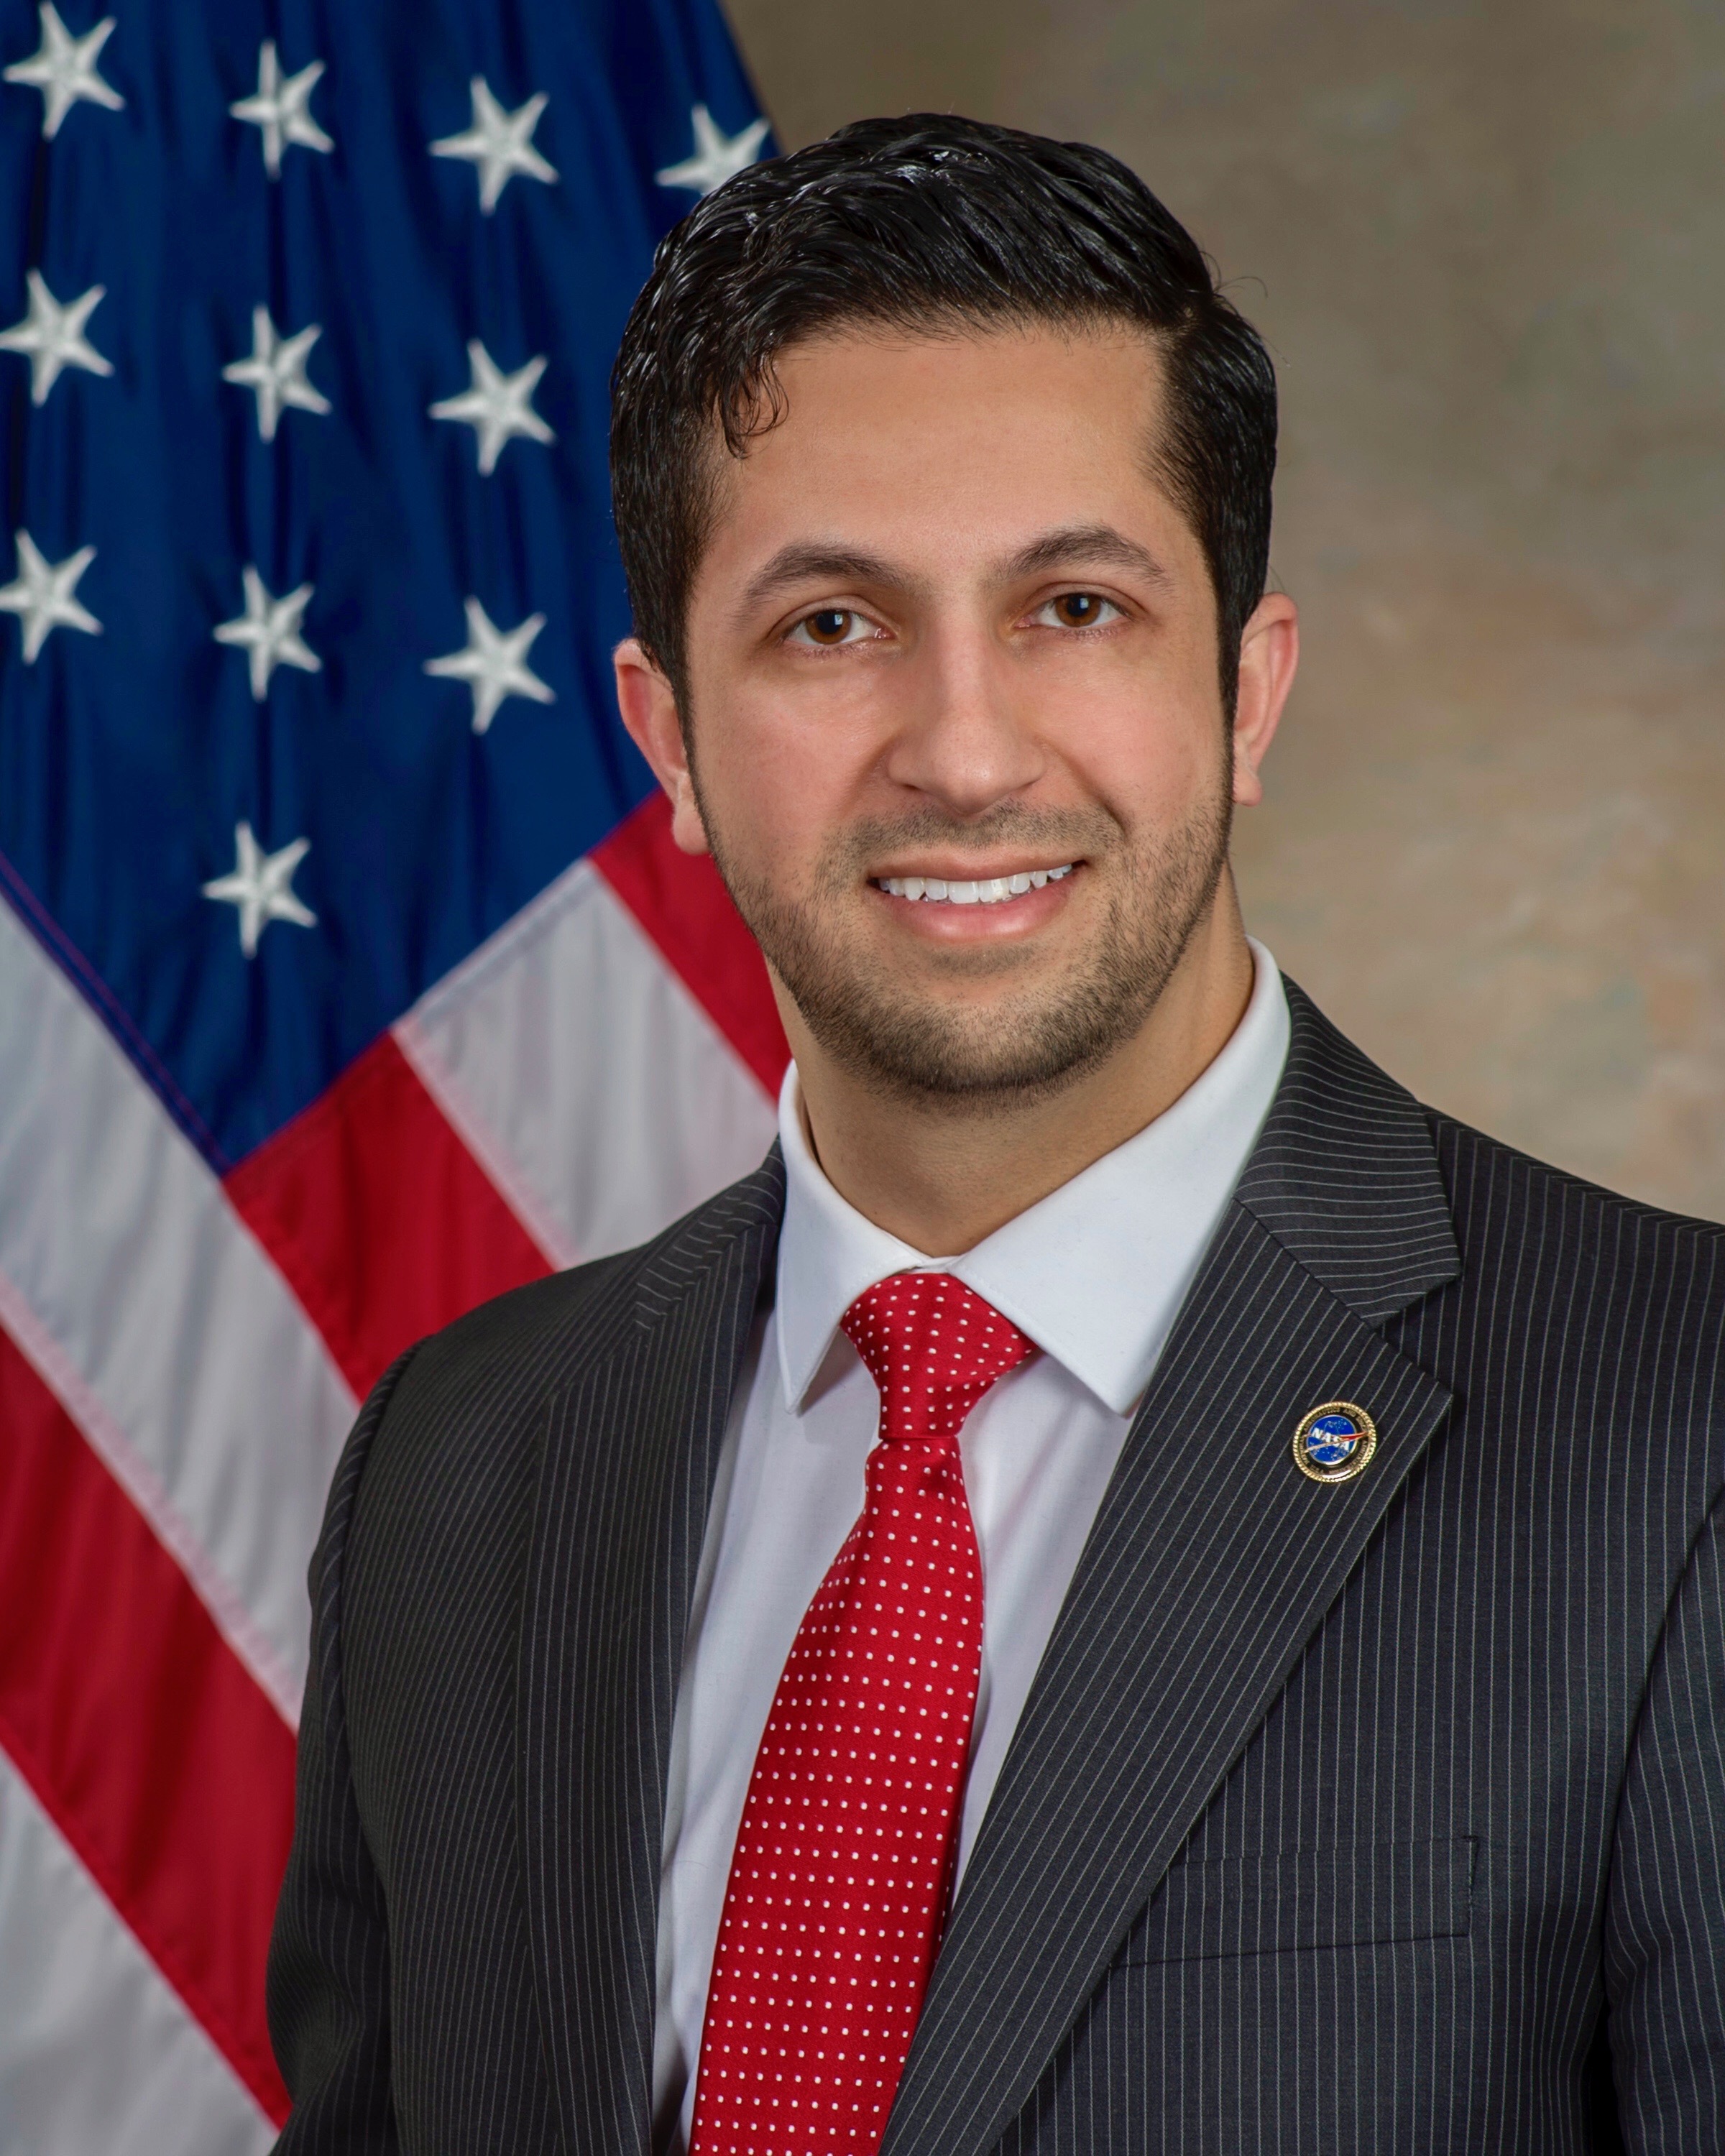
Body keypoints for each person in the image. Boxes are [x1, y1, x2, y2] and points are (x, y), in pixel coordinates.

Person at [265, 116, 1725, 2155]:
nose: (961, 751)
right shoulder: (461, 1466)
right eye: (832, 627)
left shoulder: (1680, 1438)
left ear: (1248, 691)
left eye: (1075, 607)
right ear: (669, 735)